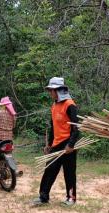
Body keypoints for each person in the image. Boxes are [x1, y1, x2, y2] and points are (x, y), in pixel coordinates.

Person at [32, 77, 80, 206]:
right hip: (56, 144)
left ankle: (71, 198)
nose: (50, 93)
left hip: (68, 144)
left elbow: (76, 128)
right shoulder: (54, 105)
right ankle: (43, 197)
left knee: (69, 173)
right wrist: (49, 144)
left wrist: (71, 145)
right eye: (50, 90)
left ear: (58, 90)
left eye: (51, 90)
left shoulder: (70, 105)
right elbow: (54, 127)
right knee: (49, 170)